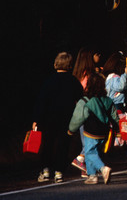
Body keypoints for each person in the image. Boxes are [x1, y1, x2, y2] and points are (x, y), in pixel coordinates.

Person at [32, 52, 83, 183]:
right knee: (63, 144)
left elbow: (41, 101)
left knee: (47, 143)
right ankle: (59, 171)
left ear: (56, 64)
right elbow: (80, 99)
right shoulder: (73, 81)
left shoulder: (49, 81)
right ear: (70, 65)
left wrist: (37, 119)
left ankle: (45, 169)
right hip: (67, 117)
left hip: (49, 118)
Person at [67, 73, 118, 185]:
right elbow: (114, 116)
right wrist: (118, 130)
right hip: (104, 131)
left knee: (90, 152)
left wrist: (71, 130)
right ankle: (92, 175)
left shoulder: (85, 101)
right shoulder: (108, 100)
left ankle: (103, 168)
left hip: (91, 131)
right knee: (96, 152)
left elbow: (78, 118)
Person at [103, 52, 127, 174]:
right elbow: (121, 86)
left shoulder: (109, 77)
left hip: (116, 110)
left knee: (122, 137)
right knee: (125, 136)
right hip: (117, 110)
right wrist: (126, 73)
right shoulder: (114, 77)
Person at [71, 46, 101, 176]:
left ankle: (88, 169)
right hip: (89, 109)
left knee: (86, 138)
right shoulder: (89, 75)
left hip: (79, 109)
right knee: (91, 139)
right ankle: (80, 159)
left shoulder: (77, 74)